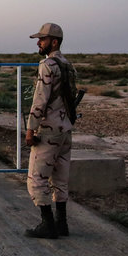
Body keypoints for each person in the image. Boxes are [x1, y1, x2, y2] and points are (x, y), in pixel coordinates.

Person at [23, 22, 76, 238]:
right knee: (60, 179)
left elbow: (39, 100)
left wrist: (30, 129)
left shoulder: (47, 65)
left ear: (53, 42)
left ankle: (47, 225)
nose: (38, 42)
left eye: (42, 39)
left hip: (49, 130)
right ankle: (61, 224)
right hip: (65, 129)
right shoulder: (68, 65)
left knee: (36, 178)